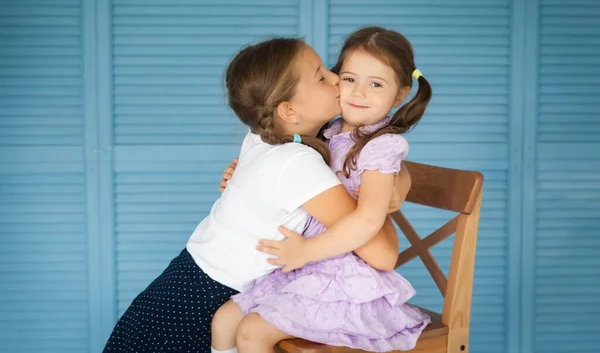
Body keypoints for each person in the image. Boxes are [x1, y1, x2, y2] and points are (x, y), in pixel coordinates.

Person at [103, 36, 411, 353]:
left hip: (180, 283)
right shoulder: (298, 162)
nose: (336, 79)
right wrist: (378, 200)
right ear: (289, 110)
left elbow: (375, 157)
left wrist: (394, 182)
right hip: (210, 301)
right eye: (322, 76)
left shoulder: (261, 138)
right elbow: (383, 254)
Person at [211, 26, 433, 353]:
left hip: (341, 271)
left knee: (251, 333)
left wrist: (305, 253)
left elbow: (369, 221)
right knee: (225, 320)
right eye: (349, 78)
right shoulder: (329, 128)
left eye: (375, 84)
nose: (358, 93)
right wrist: (243, 170)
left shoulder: (381, 147)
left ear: (399, 95)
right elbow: (283, 155)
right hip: (308, 264)